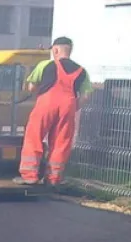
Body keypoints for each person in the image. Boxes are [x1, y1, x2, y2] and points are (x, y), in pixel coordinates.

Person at [15, 36, 93, 186]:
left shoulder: (45, 65)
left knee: (34, 136)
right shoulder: (82, 71)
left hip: (47, 103)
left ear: (56, 50)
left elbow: (31, 87)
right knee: (61, 142)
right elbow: (86, 96)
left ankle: (30, 176)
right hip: (68, 105)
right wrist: (74, 107)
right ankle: (53, 178)